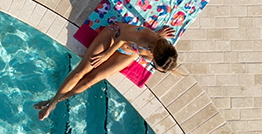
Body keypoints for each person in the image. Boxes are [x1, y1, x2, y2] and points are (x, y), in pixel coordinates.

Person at [35, 21, 178, 121]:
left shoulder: (159, 46)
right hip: (114, 36)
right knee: (81, 71)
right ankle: (52, 104)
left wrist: (159, 34)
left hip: (130, 52)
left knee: (90, 80)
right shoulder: (144, 38)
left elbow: (157, 42)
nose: (152, 66)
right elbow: (122, 37)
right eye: (154, 65)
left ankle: (53, 101)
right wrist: (107, 54)